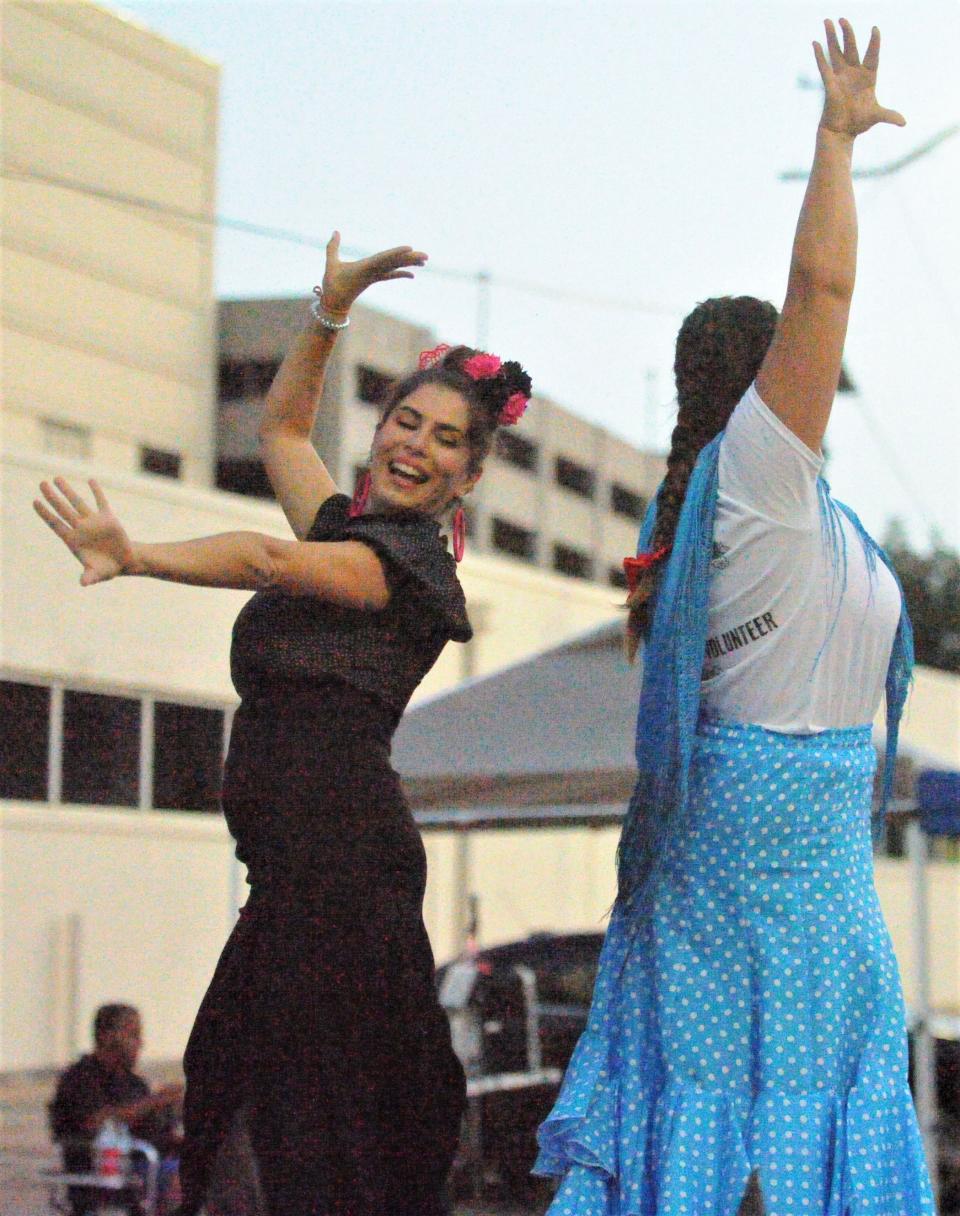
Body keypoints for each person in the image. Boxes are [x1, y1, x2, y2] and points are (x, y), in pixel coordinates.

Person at [34, 234, 534, 1216]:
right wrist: (328, 310)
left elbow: (268, 559)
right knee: (240, 1087)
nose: (414, 445)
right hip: (297, 876)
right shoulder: (349, 527)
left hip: (344, 875)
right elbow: (280, 432)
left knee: (310, 1120)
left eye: (443, 440)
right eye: (406, 420)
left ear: (467, 476)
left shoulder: (405, 570)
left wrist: (136, 552)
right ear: (383, 423)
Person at [535, 20, 935, 1216]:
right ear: (763, 377)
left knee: (730, 1167)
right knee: (764, 1175)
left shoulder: (763, 517)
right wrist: (833, 145)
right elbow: (825, 285)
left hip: (792, 891)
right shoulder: (758, 482)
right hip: (771, 899)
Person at [48, 1003, 183, 1216]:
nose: (141, 1043)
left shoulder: (134, 1083)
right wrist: (154, 1101)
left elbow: (155, 1133)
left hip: (143, 1163)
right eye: (134, 1035)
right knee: (179, 1176)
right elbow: (95, 1122)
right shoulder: (79, 1079)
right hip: (102, 1171)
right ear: (107, 1037)